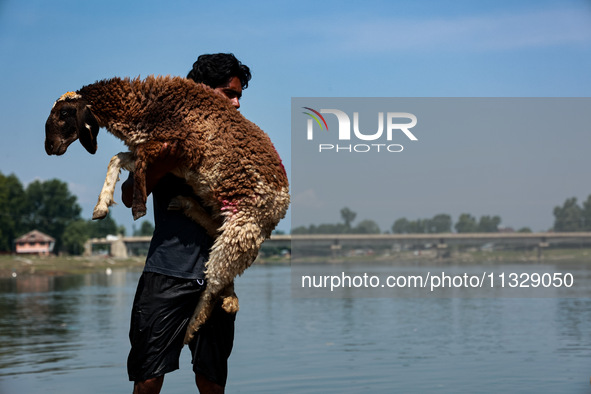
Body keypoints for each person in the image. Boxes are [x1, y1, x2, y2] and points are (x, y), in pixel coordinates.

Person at [123, 53, 251, 394]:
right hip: (167, 273)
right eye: (229, 93)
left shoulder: (238, 146)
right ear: (204, 92)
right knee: (148, 377)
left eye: (240, 95)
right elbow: (127, 195)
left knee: (211, 380)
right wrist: (165, 160)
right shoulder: (165, 132)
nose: (237, 103)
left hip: (216, 279)